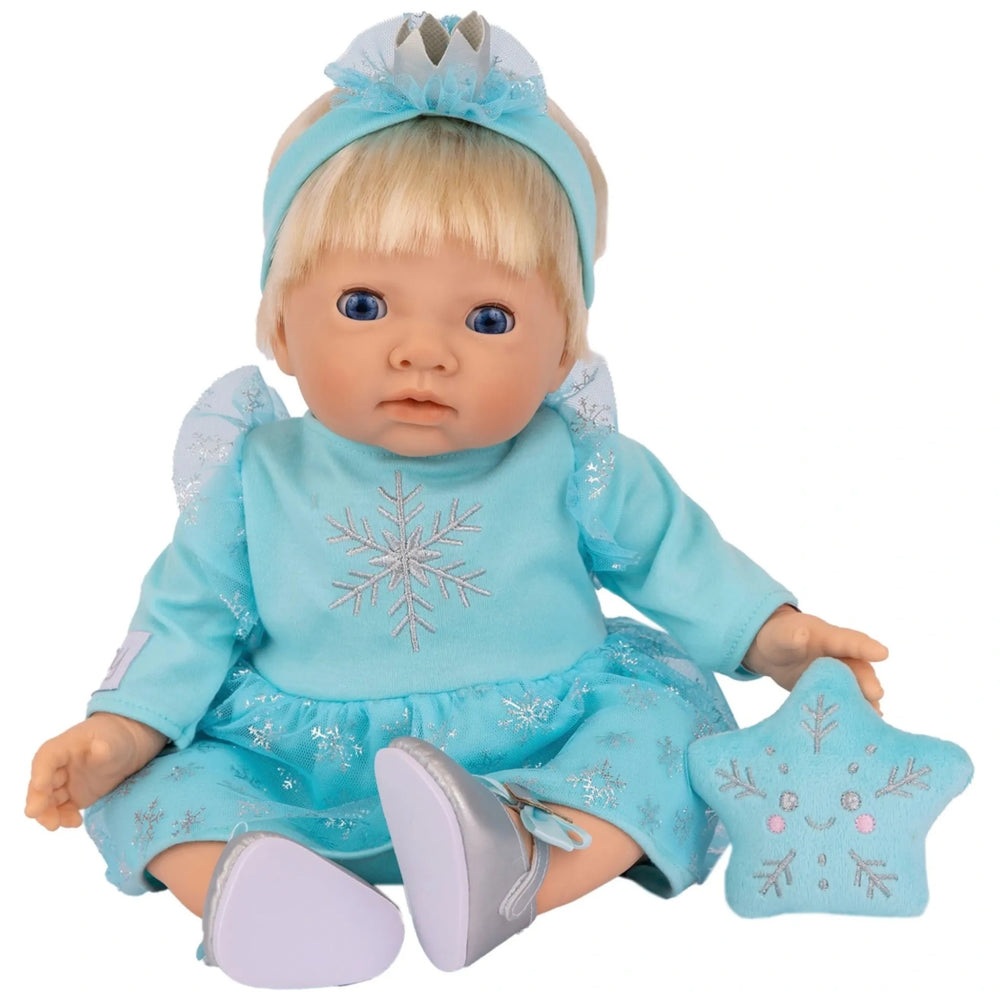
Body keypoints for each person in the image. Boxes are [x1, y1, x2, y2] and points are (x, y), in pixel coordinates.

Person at [25, 12, 887, 990]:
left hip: (547, 743)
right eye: (363, 306)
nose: (423, 352)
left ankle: (517, 871)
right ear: (281, 325)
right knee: (164, 785)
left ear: (562, 352)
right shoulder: (254, 475)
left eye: (487, 317)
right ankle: (267, 898)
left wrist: (774, 637)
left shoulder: (575, 461)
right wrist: (121, 731)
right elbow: (186, 620)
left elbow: (675, 558)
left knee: (665, 736)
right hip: (300, 758)